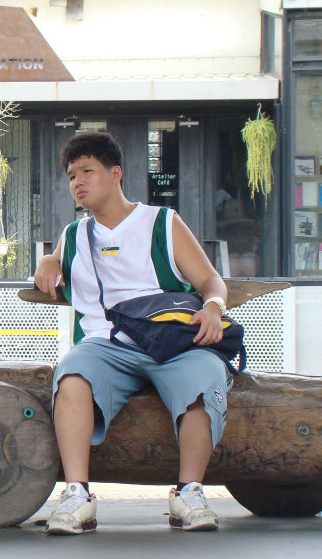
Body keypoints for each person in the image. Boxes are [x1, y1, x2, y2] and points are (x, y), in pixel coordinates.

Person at [34, 131, 231, 535]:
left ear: (116, 173)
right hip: (107, 347)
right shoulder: (75, 235)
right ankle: (77, 495)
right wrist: (49, 260)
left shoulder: (161, 222)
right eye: (71, 176)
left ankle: (189, 493)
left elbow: (211, 280)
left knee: (203, 378)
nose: (78, 182)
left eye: (87, 171)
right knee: (71, 375)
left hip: (171, 341)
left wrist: (213, 307)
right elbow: (55, 263)